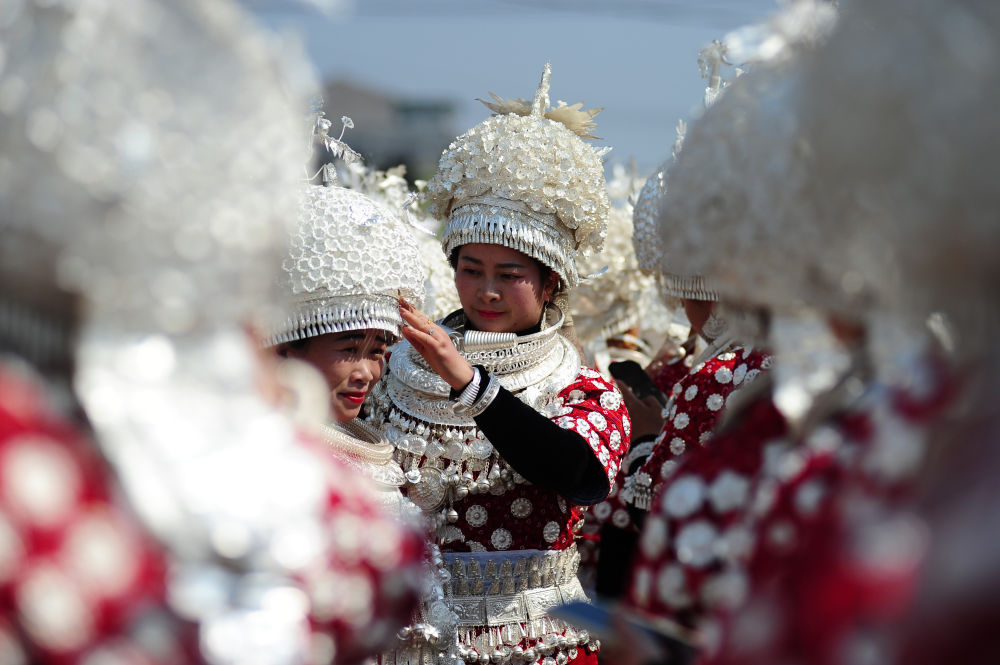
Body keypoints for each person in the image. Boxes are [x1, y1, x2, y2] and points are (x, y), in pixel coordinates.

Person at [0, 2, 425, 663]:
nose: (367, 371)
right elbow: (376, 570)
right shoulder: (225, 447)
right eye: (350, 347)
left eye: (379, 351)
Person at [365, 64, 631, 665]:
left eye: (509, 275)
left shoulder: (580, 386)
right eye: (470, 269)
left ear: (550, 282)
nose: (485, 291)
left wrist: (467, 380)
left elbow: (579, 475)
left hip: (537, 646)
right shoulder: (401, 368)